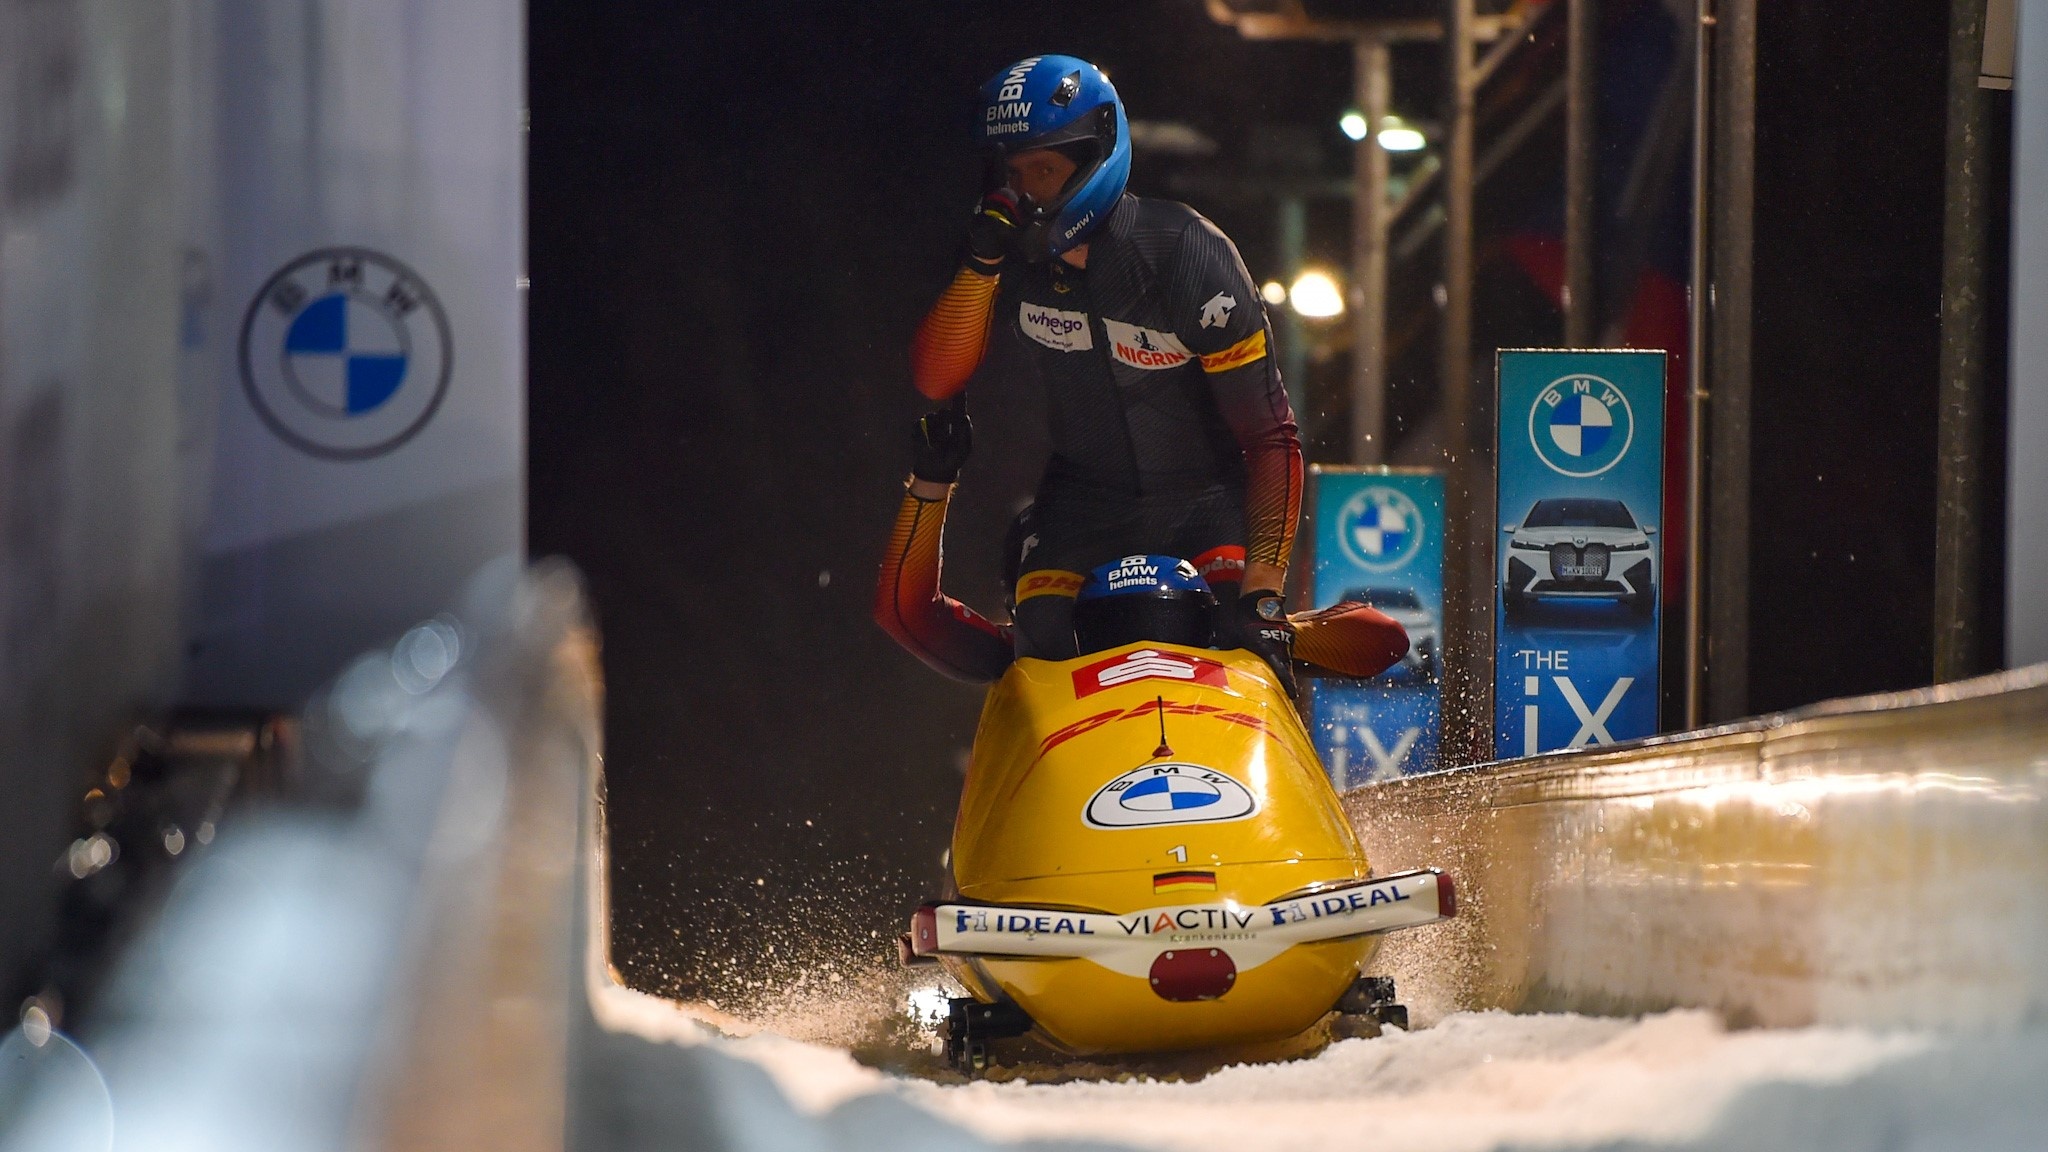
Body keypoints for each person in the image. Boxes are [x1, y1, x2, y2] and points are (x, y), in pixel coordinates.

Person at [904, 54, 1303, 692]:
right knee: (1043, 649)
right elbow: (935, 377)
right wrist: (980, 264)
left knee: (1242, 648)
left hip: (1208, 507)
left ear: (1094, 159)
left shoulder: (1186, 254)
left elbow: (1270, 437)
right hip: (1080, 509)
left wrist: (1262, 594)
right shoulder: (999, 256)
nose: (1025, 191)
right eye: (1013, 173)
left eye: (1044, 169)